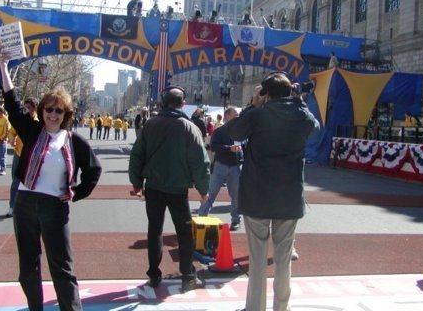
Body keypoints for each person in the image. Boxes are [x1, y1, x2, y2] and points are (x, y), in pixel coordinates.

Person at [0, 50, 102, 311]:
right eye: (48, 109)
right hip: (25, 203)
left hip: (55, 207)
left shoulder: (74, 140)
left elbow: (93, 171)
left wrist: (76, 193)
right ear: (42, 110)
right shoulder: (32, 130)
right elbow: (12, 103)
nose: (53, 114)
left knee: (62, 269)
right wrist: (3, 65)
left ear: (65, 113)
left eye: (59, 110)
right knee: (28, 268)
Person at [226, 72, 319, 311]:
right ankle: (282, 307)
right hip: (288, 197)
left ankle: (255, 308)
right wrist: (298, 100)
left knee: (257, 259)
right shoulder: (301, 115)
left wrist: (251, 105)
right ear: (290, 91)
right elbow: (315, 126)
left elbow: (234, 132)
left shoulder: (257, 115)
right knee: (283, 259)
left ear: (265, 93)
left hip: (257, 194)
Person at [128, 86, 210, 292]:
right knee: (184, 231)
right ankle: (188, 275)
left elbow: (137, 154)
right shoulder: (189, 127)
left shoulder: (150, 125)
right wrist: (203, 188)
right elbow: (200, 161)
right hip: (178, 188)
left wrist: (136, 183)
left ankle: (154, 275)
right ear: (182, 103)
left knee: (154, 229)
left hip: (153, 186)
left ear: (164, 103)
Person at [198, 106, 242, 231]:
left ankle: (235, 220)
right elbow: (214, 146)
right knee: (211, 193)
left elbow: (243, 144)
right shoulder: (220, 131)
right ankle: (201, 218)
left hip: (234, 166)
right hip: (220, 166)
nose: (238, 118)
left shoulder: (239, 131)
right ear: (227, 116)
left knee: (236, 195)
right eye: (235, 115)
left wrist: (240, 150)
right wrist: (229, 148)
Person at [6, 97, 38, 218]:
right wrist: (11, 138)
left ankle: (31, 208)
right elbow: (12, 131)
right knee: (15, 181)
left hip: (33, 156)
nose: (27, 110)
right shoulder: (21, 120)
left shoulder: (39, 120)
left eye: (29, 108)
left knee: (33, 182)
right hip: (19, 153)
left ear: (35, 107)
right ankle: (12, 206)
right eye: (25, 108)